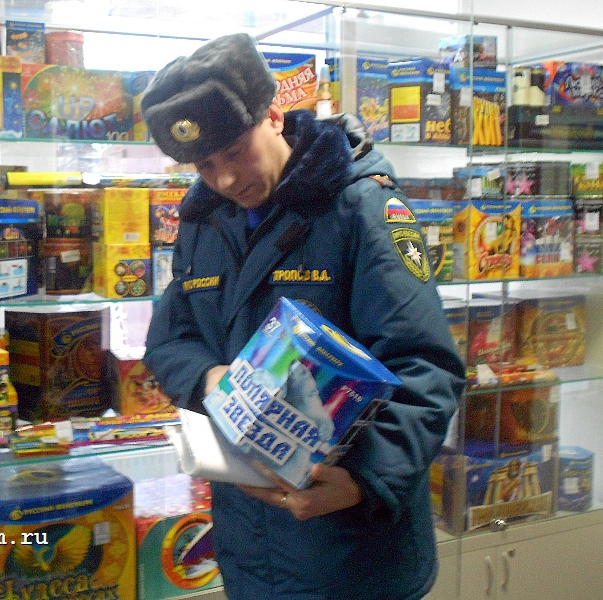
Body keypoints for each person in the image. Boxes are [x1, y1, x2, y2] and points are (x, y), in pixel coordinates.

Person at [140, 33, 466, 600]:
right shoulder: (204, 220)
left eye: (234, 152)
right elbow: (171, 340)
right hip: (248, 544)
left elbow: (426, 366)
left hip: (354, 555)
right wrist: (213, 379)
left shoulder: (362, 208)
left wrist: (363, 479)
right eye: (204, 164)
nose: (223, 179)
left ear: (273, 116)